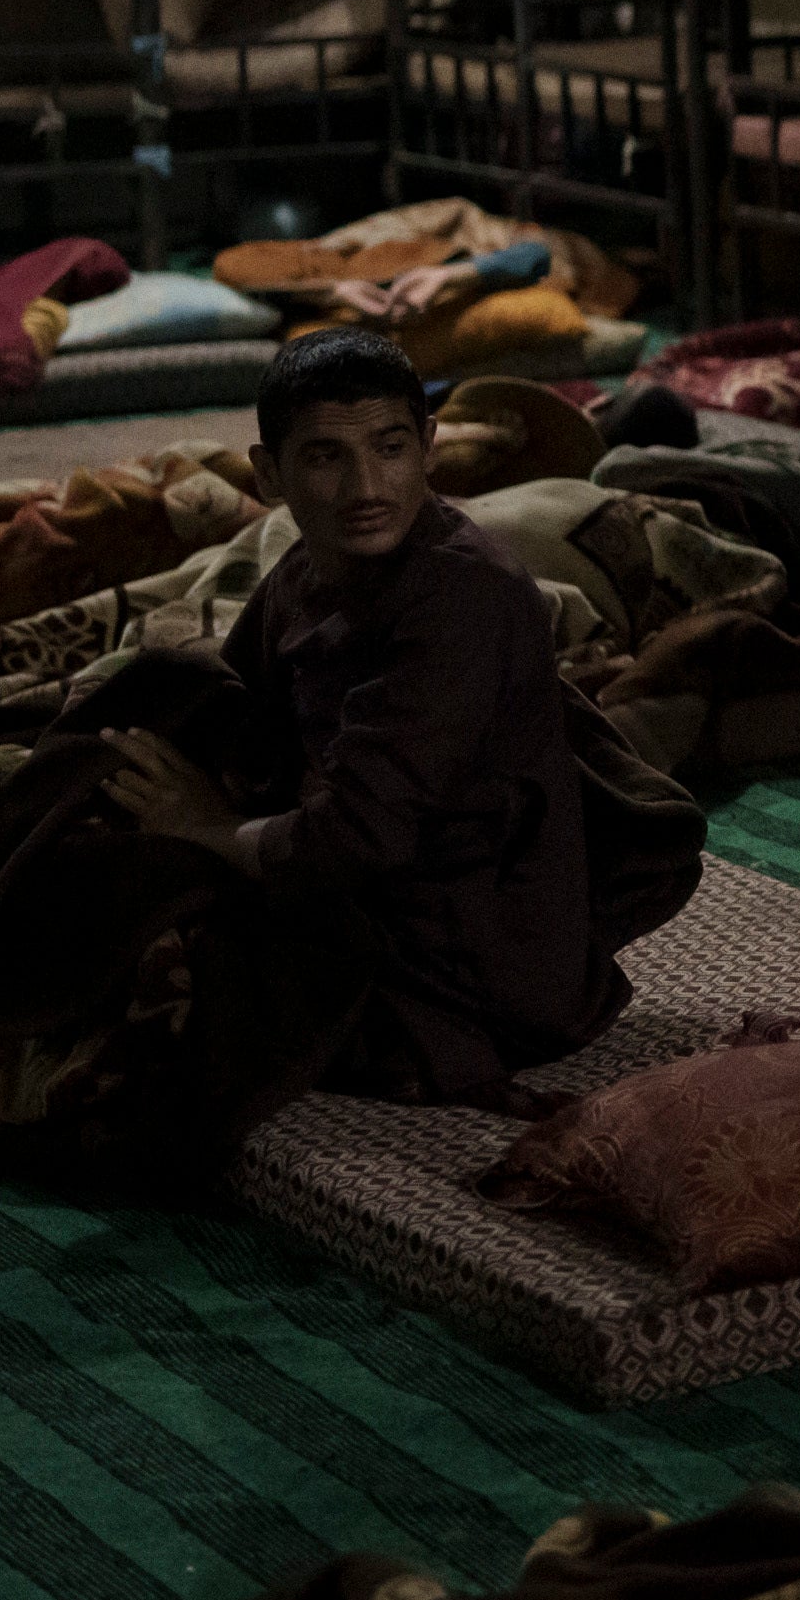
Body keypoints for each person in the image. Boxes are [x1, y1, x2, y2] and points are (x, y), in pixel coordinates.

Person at [108, 327, 678, 1100]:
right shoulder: (304, 569)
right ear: (269, 472)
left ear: (429, 449)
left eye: (389, 448)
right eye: (326, 457)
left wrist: (205, 830)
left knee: (152, 1012)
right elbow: (241, 708)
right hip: (354, 888)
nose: (367, 487)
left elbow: (357, 838)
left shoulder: (465, 597)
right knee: (96, 761)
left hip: (468, 960)